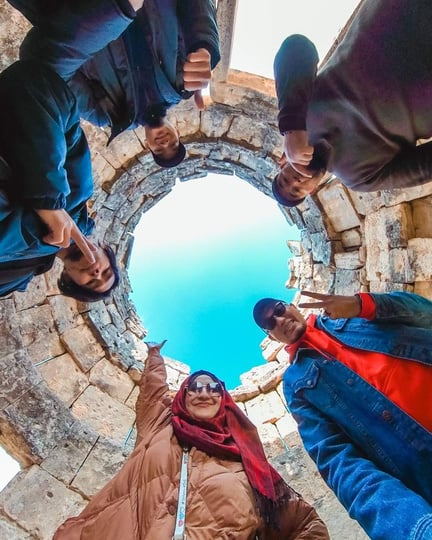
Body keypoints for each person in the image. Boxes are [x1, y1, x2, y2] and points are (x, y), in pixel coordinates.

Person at [53, 341, 329, 539]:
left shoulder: (249, 466)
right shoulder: (159, 428)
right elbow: (152, 393)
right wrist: (153, 356)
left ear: (225, 401)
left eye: (213, 388)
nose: (203, 393)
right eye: (194, 387)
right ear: (182, 396)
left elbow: (303, 524)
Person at [252, 291, 432, 539]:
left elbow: (426, 312)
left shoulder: (352, 313)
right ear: (271, 336)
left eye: (279, 310)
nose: (279, 320)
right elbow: (338, 462)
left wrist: (364, 304)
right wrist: (413, 526)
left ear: (292, 306)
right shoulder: (295, 385)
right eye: (270, 324)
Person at [8, 0, 220, 168]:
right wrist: (205, 45)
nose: (165, 144)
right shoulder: (185, 81)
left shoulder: (105, 114)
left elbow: (49, 73)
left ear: (148, 145)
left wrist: (117, 11)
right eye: (173, 144)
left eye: (159, 150)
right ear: (177, 132)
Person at [272, 0, 432, 207]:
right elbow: (425, 167)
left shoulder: (298, 111)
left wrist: (292, 126)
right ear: (312, 191)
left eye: (285, 179)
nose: (295, 181)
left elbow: (297, 47)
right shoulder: (360, 179)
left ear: (283, 162)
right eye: (296, 191)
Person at [0, 59, 119, 301]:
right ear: (106, 251)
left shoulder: (14, 276)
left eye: (92, 281)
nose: (97, 271)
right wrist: (48, 199)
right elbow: (38, 83)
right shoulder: (76, 191)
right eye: (106, 271)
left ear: (67, 279)